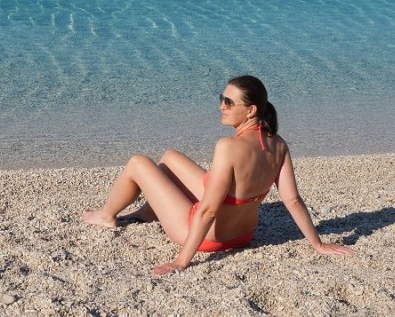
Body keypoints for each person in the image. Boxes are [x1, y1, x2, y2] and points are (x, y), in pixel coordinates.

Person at [83, 75, 354, 277]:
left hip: (209, 238)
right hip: (244, 235)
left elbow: (208, 211)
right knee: (169, 158)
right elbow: (292, 200)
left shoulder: (228, 147)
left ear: (251, 110)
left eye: (229, 102)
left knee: (138, 163)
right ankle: (147, 212)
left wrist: (181, 261)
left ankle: (106, 215)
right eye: (221, 99)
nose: (221, 106)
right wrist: (317, 244)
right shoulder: (278, 144)